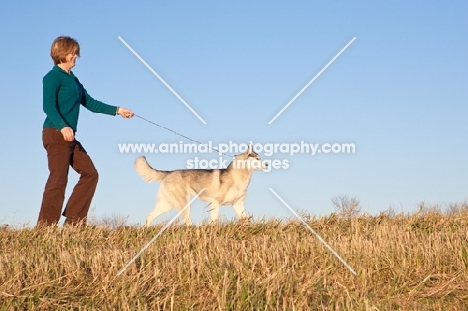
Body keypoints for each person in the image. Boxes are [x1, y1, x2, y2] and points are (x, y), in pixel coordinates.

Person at [38, 36, 134, 227]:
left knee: (90, 173)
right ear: (62, 53)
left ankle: (74, 221)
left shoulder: (73, 80)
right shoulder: (52, 76)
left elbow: (90, 102)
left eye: (76, 53)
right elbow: (48, 106)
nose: (76, 56)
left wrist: (117, 110)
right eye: (73, 52)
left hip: (69, 136)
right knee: (58, 179)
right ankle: (45, 228)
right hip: (55, 133)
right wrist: (62, 126)